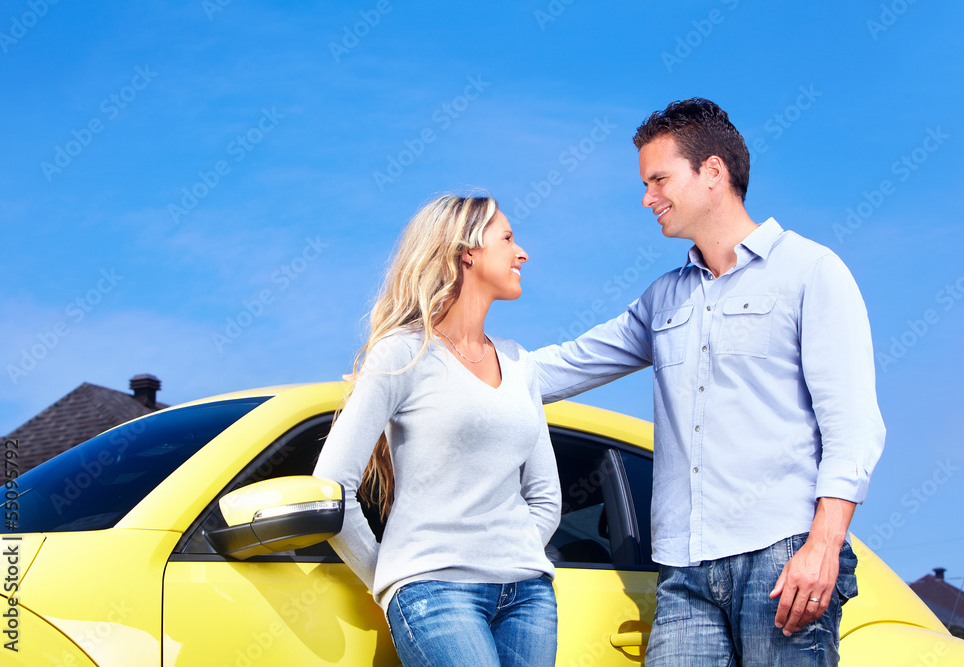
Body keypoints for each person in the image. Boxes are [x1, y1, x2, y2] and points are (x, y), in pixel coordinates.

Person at [530, 98, 885, 666]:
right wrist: (438, 364)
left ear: (713, 172)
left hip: (784, 552)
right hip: (686, 572)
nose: (648, 198)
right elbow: (565, 365)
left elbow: (853, 424)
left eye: (659, 179)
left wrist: (824, 544)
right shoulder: (663, 298)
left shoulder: (810, 271)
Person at [312, 193, 561, 667]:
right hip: (435, 590)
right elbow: (332, 488)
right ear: (467, 252)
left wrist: (515, 547)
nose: (522, 252)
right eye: (508, 238)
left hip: (528, 593)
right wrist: (392, 578)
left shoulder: (519, 363)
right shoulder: (401, 354)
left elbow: (545, 495)